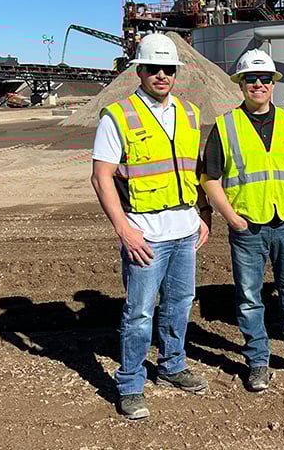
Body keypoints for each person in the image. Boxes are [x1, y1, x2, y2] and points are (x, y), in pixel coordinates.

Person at [91, 33, 211, 420]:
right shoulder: (119, 115)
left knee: (180, 303)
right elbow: (101, 177)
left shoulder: (189, 113)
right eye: (153, 68)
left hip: (184, 229)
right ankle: (129, 384)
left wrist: (202, 213)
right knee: (139, 312)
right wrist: (123, 229)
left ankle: (173, 366)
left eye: (168, 69)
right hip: (145, 233)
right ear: (139, 71)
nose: (162, 75)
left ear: (176, 73)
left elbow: (194, 170)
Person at [200, 49, 284, 392]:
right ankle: (257, 361)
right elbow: (209, 178)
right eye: (251, 79)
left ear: (273, 84)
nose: (258, 84)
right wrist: (231, 217)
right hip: (247, 227)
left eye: (264, 79)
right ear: (240, 84)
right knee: (250, 297)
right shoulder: (226, 125)